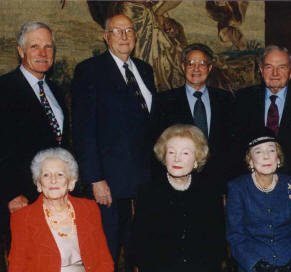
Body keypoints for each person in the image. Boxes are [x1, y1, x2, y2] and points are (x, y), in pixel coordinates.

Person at [0, 21, 69, 270]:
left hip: (58, 200)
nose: (43, 53)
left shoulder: (56, 91)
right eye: (35, 46)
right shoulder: (0, 90)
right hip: (22, 201)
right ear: (20, 50)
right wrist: (8, 195)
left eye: (48, 46)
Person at [71, 14, 156, 270]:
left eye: (129, 30)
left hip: (144, 181)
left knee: (139, 249)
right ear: (105, 36)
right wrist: (95, 179)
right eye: (117, 31)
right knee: (107, 251)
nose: (124, 36)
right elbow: (83, 130)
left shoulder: (144, 69)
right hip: (108, 183)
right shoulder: (89, 71)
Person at [233, 45, 291, 218]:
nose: (275, 73)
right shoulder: (244, 98)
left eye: (281, 67)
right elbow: (237, 146)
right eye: (269, 67)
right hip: (254, 187)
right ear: (261, 70)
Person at [133, 124, 225, 272]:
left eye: (185, 153)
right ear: (164, 157)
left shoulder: (210, 193)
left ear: (196, 159)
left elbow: (216, 247)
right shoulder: (149, 193)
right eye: (171, 152)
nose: (177, 159)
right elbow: (140, 248)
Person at [9, 147, 113, 272]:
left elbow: (104, 259)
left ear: (71, 182)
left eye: (60, 174)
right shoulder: (22, 218)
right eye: (46, 175)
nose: (53, 180)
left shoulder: (89, 209)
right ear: (39, 184)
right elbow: (17, 266)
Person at [226, 134, 291, 272]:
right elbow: (236, 237)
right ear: (250, 161)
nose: (266, 156)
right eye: (258, 151)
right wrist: (258, 266)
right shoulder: (238, 188)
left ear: (278, 158)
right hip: (254, 264)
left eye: (271, 150)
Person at [153, 43, 235, 193]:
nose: (196, 69)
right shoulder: (164, 101)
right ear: (183, 67)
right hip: (178, 181)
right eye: (190, 63)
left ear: (209, 68)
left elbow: (232, 143)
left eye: (202, 64)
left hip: (218, 182)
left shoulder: (226, 99)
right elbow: (157, 143)